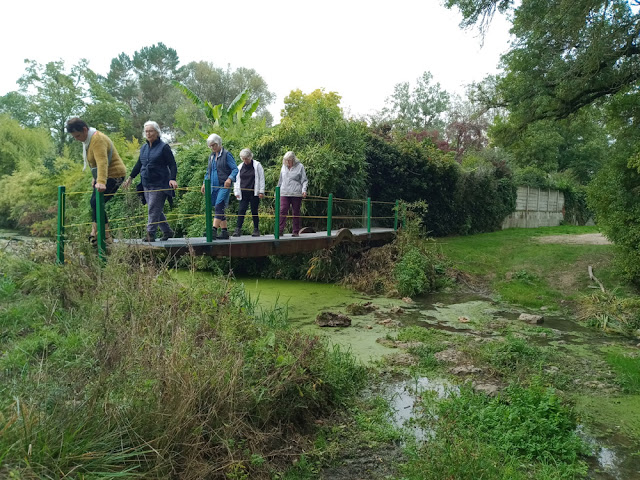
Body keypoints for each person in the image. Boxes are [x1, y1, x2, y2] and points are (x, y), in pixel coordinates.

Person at [66, 117, 126, 244]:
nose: (76, 139)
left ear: (84, 129)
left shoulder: (97, 139)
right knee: (94, 202)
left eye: (77, 135)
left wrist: (101, 182)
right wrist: (96, 178)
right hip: (105, 175)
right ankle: (96, 233)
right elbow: (94, 163)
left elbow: (102, 161)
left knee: (95, 202)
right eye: (74, 137)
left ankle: (105, 236)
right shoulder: (89, 141)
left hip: (115, 174)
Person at [123, 121, 177, 242]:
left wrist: (173, 179)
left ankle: (150, 233)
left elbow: (172, 164)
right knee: (154, 208)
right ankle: (167, 231)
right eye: (146, 131)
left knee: (153, 208)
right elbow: (139, 164)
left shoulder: (164, 147)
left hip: (160, 183)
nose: (148, 133)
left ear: (157, 132)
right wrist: (130, 178)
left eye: (151, 131)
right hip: (146, 183)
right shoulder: (144, 148)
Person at [201, 134, 238, 239]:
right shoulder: (211, 156)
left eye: (214, 145)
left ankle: (213, 230)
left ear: (218, 143)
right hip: (213, 185)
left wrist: (229, 179)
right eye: (210, 146)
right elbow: (209, 171)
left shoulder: (227, 154)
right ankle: (224, 232)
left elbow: (235, 169)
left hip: (223, 185)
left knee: (219, 205)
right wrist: (204, 183)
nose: (212, 147)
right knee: (218, 207)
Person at [232, 148, 265, 237]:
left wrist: (261, 191)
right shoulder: (239, 167)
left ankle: (256, 229)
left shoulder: (257, 165)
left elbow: (261, 178)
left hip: (254, 192)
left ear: (250, 157)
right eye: (243, 158)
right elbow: (236, 180)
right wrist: (236, 191)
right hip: (243, 192)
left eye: (246, 158)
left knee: (254, 210)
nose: (245, 160)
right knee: (241, 210)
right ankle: (238, 229)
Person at [277, 151, 308, 237]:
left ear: (293, 160)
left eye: (289, 160)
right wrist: (277, 191)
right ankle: (279, 230)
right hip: (284, 192)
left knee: (296, 212)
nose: (287, 162)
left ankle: (295, 231)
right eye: (286, 160)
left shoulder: (300, 166)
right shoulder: (283, 167)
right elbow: (280, 180)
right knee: (283, 210)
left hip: (296, 193)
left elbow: (304, 180)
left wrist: (304, 190)